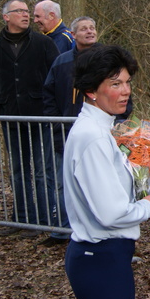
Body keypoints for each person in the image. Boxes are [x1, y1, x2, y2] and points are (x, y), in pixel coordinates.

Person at [63, 44, 150, 299]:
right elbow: (111, 213)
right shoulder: (92, 136)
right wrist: (149, 207)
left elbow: (114, 188)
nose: (126, 90)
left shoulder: (103, 129)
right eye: (115, 84)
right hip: (99, 258)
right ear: (91, 90)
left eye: (127, 82)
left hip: (107, 255)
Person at [0, 0, 60, 237]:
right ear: (6, 17)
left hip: (40, 117)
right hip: (11, 118)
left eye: (28, 11)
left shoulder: (43, 43)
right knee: (18, 169)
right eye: (20, 12)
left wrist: (49, 107)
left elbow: (56, 75)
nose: (26, 15)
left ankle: (44, 220)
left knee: (42, 171)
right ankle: (23, 219)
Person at [39, 16, 102, 247]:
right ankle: (63, 231)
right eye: (84, 29)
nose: (89, 32)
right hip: (65, 133)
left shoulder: (108, 59)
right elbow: (48, 95)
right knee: (63, 181)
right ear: (73, 35)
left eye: (92, 28)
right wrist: (56, 123)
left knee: (97, 181)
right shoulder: (61, 62)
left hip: (100, 134)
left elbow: (125, 94)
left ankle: (98, 228)